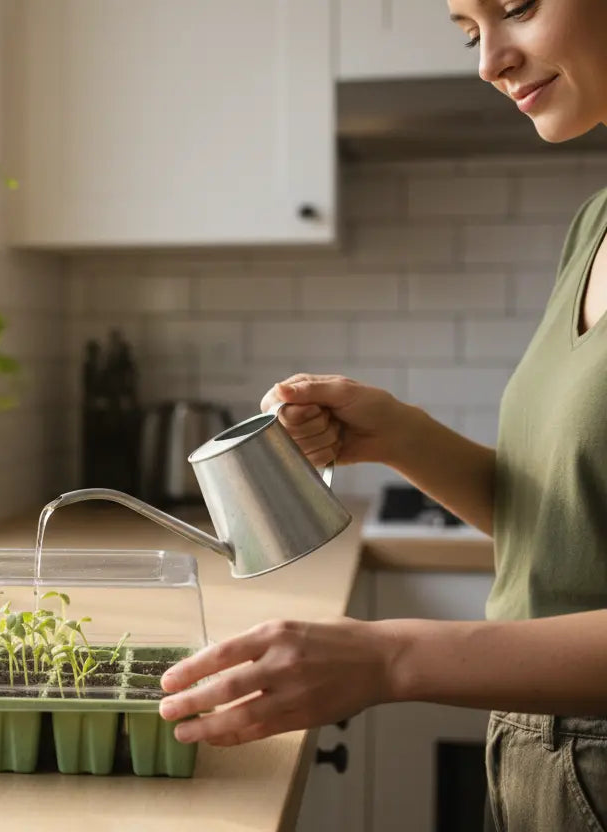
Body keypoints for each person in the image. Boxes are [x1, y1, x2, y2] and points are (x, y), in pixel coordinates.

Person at [157, 1, 607, 828]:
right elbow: (573, 542)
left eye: (517, 8)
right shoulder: (595, 224)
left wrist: (390, 657)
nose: (490, 63)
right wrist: (398, 434)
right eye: (471, 32)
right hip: (540, 763)